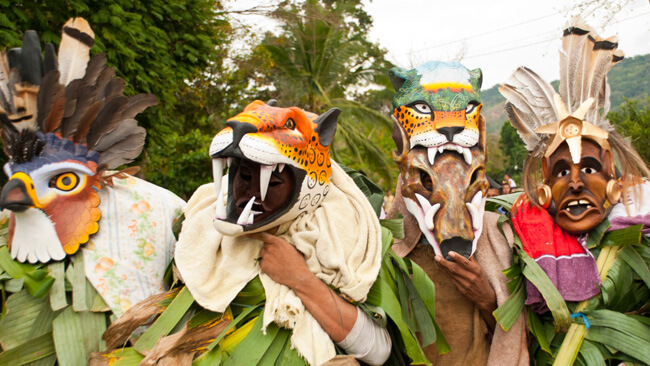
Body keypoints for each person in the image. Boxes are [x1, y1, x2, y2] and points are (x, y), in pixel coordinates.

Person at [173, 101, 391, 365]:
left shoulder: (343, 232)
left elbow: (378, 351)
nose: (249, 195)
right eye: (243, 176)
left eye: (273, 183)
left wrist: (300, 278)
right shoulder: (200, 225)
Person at [499, 20, 650, 362]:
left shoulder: (640, 223)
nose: (577, 183)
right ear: (545, 188)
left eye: (591, 169)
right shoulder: (516, 237)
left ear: (614, 177)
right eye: (562, 171)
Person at [387, 60, 528, 365]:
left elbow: (515, 335)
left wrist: (487, 297)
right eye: (425, 110)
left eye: (463, 114)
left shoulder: (498, 238)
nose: (448, 126)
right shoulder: (381, 244)